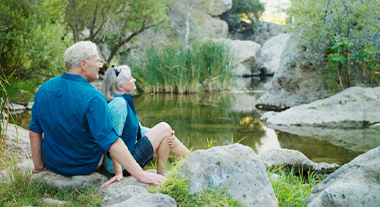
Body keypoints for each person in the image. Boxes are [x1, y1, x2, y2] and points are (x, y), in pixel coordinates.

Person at [29, 41, 166, 186]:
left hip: (54, 164)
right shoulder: (94, 98)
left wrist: (39, 167)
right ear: (83, 65)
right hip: (84, 166)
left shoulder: (44, 89)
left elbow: (34, 132)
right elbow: (112, 142)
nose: (100, 66)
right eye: (97, 61)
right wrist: (141, 174)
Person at [100, 65, 189, 188]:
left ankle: (192, 159)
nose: (134, 80)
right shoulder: (118, 105)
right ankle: (163, 175)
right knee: (164, 127)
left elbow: (138, 129)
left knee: (166, 132)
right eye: (131, 78)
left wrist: (163, 134)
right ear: (120, 87)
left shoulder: (122, 100)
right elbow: (114, 140)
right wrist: (118, 172)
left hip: (127, 157)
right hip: (124, 163)